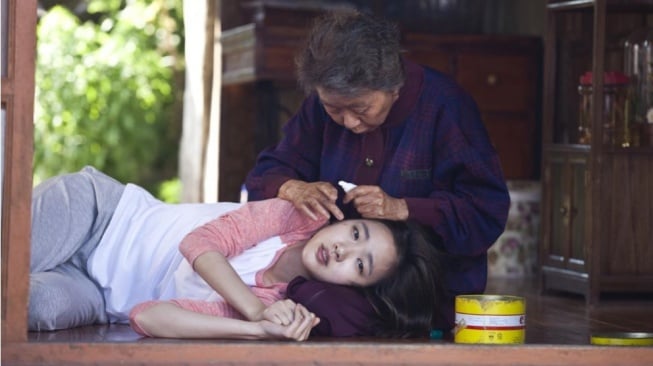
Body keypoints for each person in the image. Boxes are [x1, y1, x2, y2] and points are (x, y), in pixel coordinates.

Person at [244, 9, 511, 331]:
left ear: (395, 87)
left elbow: (485, 214)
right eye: (334, 109)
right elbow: (266, 173)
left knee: (322, 311)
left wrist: (403, 208)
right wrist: (292, 187)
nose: (349, 123)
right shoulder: (318, 106)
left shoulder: (446, 107)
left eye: (361, 108)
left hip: (413, 292)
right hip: (334, 280)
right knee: (304, 303)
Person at [28, 166, 445, 340]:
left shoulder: (272, 304)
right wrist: (252, 308)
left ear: (357, 288)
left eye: (360, 264)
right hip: (106, 216)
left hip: (96, 294)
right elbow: (197, 245)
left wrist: (258, 327)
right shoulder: (291, 216)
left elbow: (145, 315)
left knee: (35, 307)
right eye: (355, 232)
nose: (341, 249)